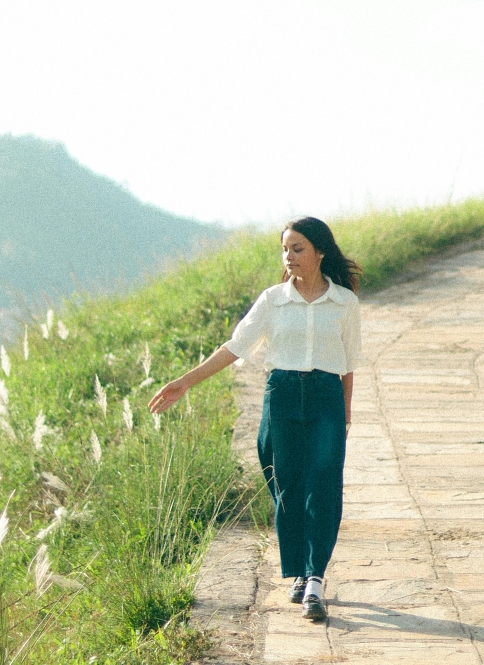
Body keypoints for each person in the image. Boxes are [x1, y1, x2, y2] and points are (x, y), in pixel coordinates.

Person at [149, 216, 362, 622]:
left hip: (325, 398)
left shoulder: (344, 303)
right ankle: (297, 570)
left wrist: (345, 412)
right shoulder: (272, 300)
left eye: (297, 248)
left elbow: (349, 362)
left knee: (323, 485)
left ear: (320, 251)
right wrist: (184, 382)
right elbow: (235, 347)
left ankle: (315, 579)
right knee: (287, 484)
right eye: (285, 249)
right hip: (282, 395)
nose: (289, 256)